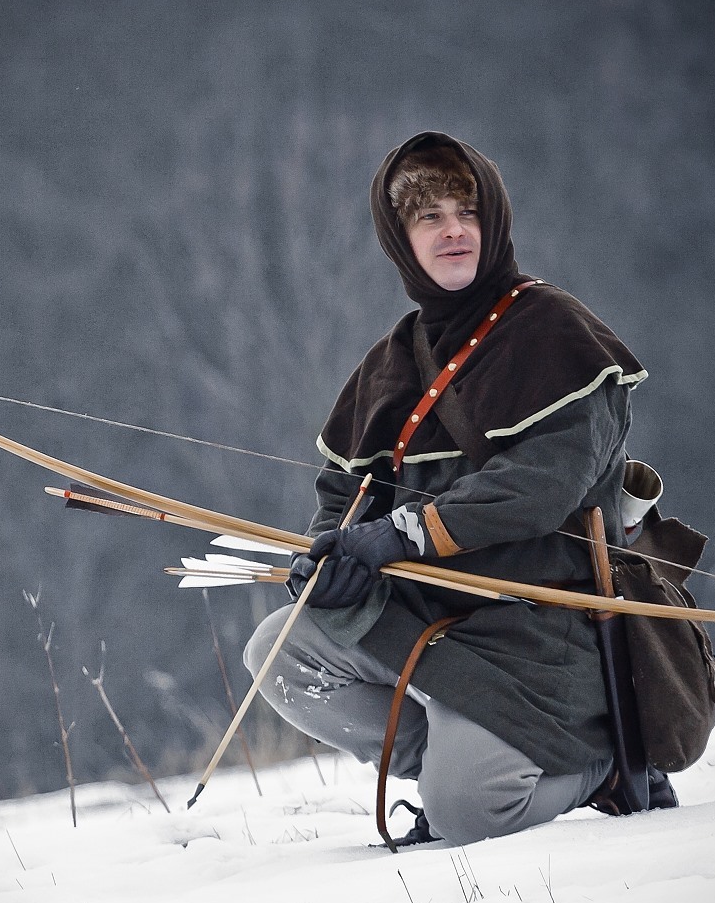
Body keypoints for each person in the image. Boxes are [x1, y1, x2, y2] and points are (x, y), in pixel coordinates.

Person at [243, 131, 653, 846]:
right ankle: (446, 760)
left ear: (492, 220)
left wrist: (403, 533)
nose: (453, 230)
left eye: (466, 210)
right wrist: (330, 555)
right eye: (428, 216)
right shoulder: (392, 360)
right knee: (279, 650)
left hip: (538, 633)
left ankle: (602, 766)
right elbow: (345, 489)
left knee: (467, 814)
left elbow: (538, 485)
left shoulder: (557, 332)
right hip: (429, 624)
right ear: (402, 240)